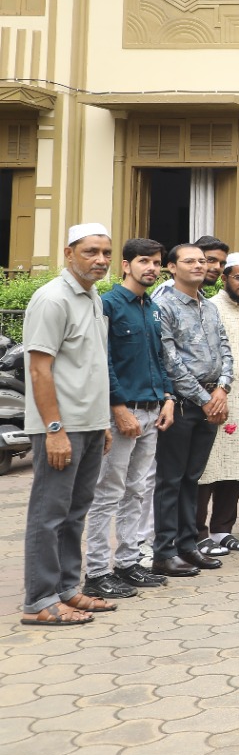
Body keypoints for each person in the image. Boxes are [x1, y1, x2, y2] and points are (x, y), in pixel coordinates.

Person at [19, 224, 116, 627]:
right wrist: (54, 428)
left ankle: (66, 589)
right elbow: (39, 369)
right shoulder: (52, 298)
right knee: (50, 513)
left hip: (90, 423)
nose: (101, 260)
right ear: (69, 253)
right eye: (91, 251)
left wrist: (102, 421)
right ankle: (40, 600)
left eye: (106, 252)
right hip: (61, 426)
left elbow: (90, 366)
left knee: (75, 512)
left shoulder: (92, 297)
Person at [83, 238, 173, 597]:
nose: (151, 268)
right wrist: (118, 408)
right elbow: (102, 361)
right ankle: (96, 572)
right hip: (122, 413)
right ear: (126, 265)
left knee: (137, 490)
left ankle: (128, 563)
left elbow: (159, 358)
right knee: (108, 492)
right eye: (144, 261)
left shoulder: (151, 307)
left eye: (156, 262)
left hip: (152, 410)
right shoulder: (108, 304)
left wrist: (168, 398)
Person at [149, 243, 232, 577]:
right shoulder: (163, 305)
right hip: (182, 404)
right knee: (170, 480)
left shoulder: (208, 306)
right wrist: (204, 398)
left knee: (192, 479)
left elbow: (225, 348)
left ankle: (188, 545)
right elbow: (169, 359)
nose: (199, 266)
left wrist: (222, 388)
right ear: (172, 267)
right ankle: (163, 552)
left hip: (210, 401)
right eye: (190, 261)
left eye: (202, 261)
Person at [197, 253, 239, 553]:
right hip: (215, 396)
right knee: (208, 467)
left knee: (235, 464)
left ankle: (223, 529)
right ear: (225, 278)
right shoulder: (210, 307)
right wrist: (213, 393)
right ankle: (198, 532)